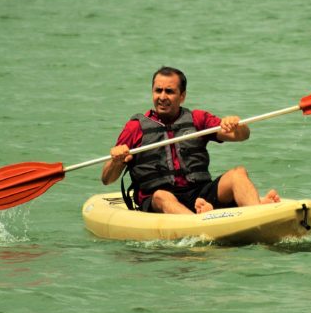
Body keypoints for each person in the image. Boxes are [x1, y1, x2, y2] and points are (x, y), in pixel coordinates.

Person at [101, 66, 280, 214]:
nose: (162, 97)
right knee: (162, 195)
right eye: (158, 91)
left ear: (182, 96)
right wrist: (116, 161)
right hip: (158, 201)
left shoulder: (198, 119)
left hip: (199, 193)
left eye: (169, 91)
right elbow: (107, 179)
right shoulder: (136, 127)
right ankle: (201, 222)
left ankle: (257, 214)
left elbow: (242, 136)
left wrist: (236, 125)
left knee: (238, 173)